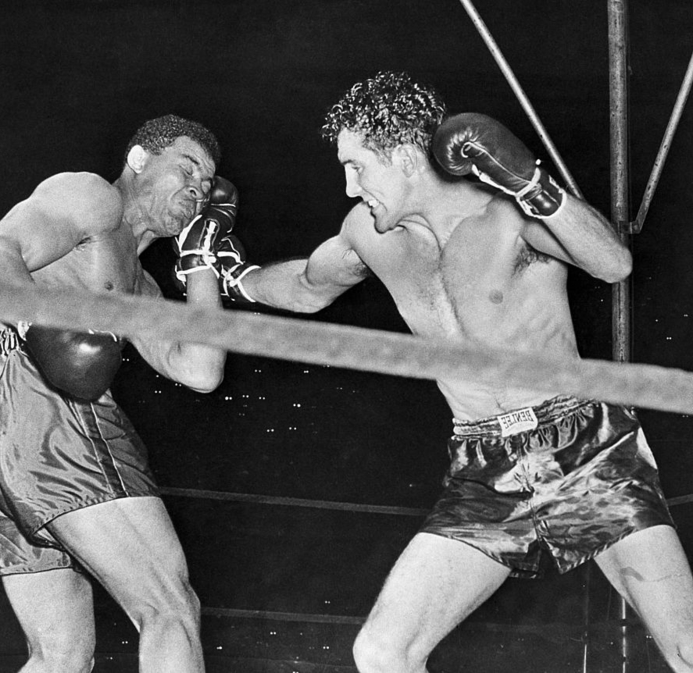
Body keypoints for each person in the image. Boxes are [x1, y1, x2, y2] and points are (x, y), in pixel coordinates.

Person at [230, 71, 693, 672]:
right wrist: (231, 273)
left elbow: (611, 262)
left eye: (357, 165)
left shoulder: (505, 215)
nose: (349, 186)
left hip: (584, 451)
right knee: (382, 652)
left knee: (687, 646)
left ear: (400, 155)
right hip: (482, 471)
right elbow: (305, 287)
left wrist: (535, 187)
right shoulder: (370, 236)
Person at [0, 114, 240, 673]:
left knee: (61, 656)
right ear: (138, 161)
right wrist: (46, 331)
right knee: (171, 608)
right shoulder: (93, 199)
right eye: (187, 169)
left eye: (207, 184)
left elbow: (200, 368)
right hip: (41, 396)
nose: (198, 189)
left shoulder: (140, 286)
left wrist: (201, 255)